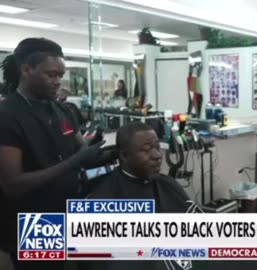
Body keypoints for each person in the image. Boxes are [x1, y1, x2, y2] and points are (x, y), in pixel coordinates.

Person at [0, 38, 109, 270]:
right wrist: (74, 162)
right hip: (32, 218)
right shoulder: (7, 116)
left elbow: (81, 150)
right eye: (51, 75)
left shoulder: (63, 109)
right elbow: (12, 184)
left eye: (61, 75)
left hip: (70, 206)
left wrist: (111, 154)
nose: (58, 82)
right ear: (26, 70)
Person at [80, 122, 205, 270]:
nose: (157, 156)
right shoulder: (102, 201)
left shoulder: (168, 184)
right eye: (146, 150)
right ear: (124, 156)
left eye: (157, 147)